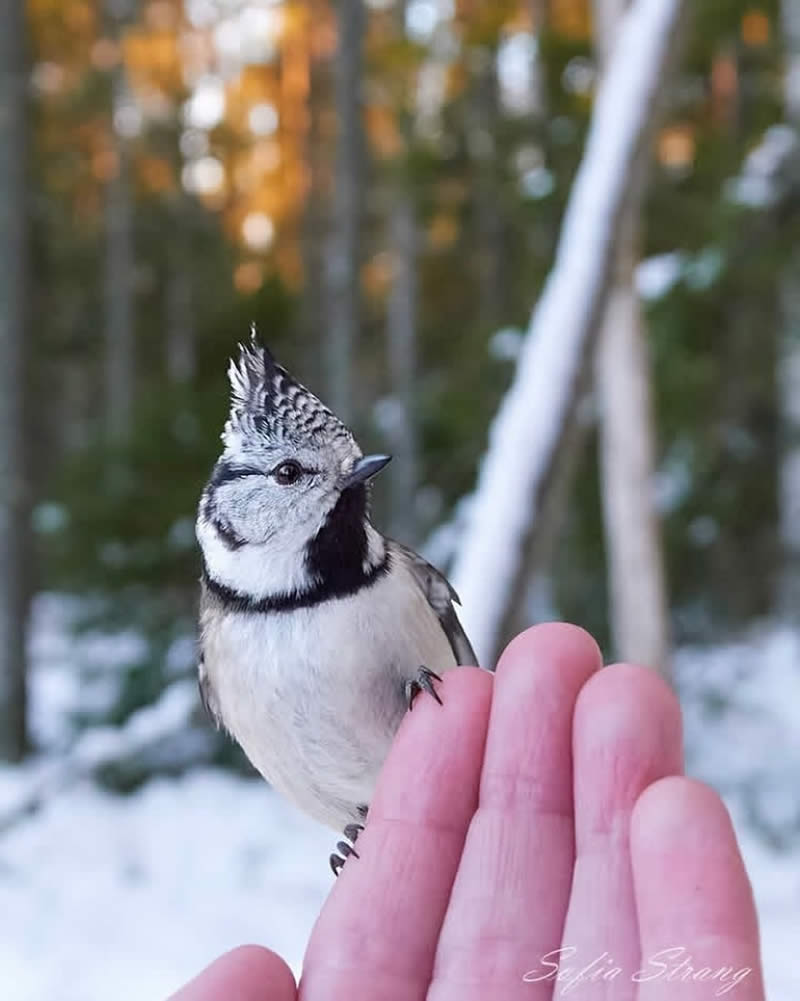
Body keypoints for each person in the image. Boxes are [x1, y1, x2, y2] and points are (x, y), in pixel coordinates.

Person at [169, 624, 765, 1001]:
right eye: (295, 476)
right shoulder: (219, 641)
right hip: (392, 838)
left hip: (470, 800)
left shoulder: (398, 575)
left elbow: (468, 673)